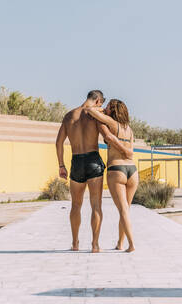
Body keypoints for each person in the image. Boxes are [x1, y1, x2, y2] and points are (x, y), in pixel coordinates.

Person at [55, 90, 132, 253]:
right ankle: (95, 245)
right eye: (102, 104)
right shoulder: (95, 116)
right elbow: (106, 135)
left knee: (75, 205)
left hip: (76, 161)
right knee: (96, 205)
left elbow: (59, 142)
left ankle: (75, 243)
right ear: (97, 101)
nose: (102, 107)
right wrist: (125, 150)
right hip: (93, 160)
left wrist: (61, 165)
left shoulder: (69, 116)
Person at [85, 99, 138, 252]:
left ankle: (132, 244)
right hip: (132, 171)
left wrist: (99, 110)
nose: (105, 108)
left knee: (123, 210)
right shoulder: (129, 129)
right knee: (126, 209)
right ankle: (121, 244)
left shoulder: (112, 124)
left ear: (113, 110)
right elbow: (131, 152)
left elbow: (89, 110)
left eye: (107, 107)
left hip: (117, 169)